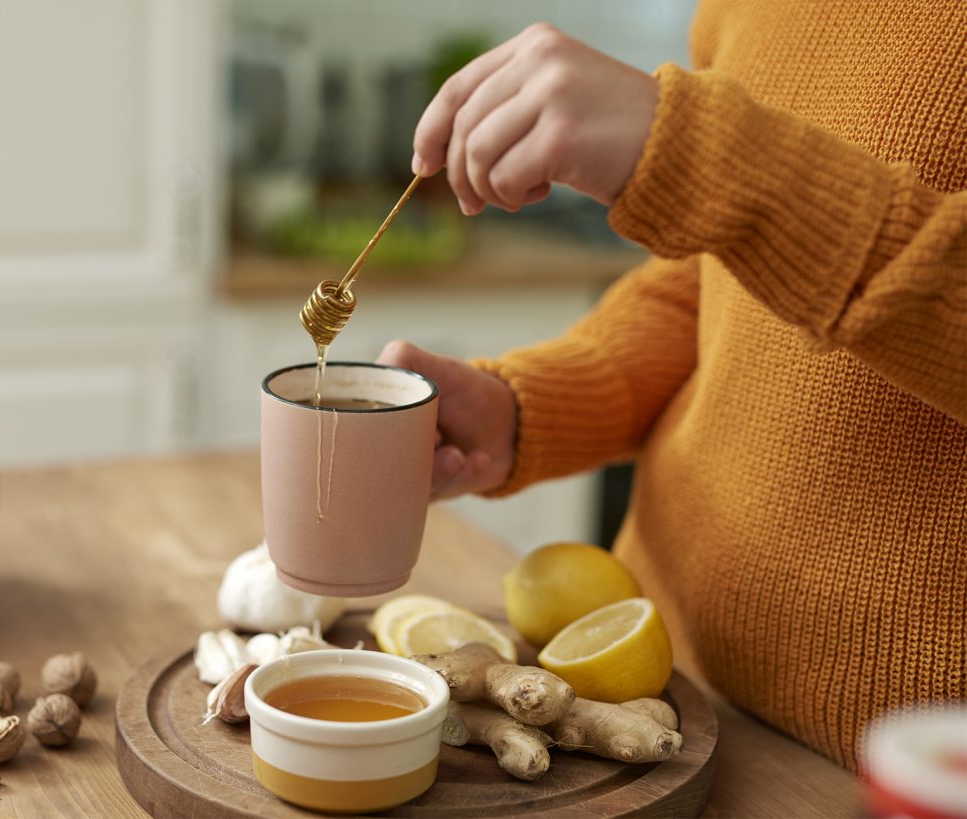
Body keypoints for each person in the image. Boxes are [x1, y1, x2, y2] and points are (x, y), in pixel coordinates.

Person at [378, 3, 966, 773]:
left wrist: (709, 159)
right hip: (655, 706)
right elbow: (713, 285)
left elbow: (748, 203)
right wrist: (526, 406)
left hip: (904, 769)